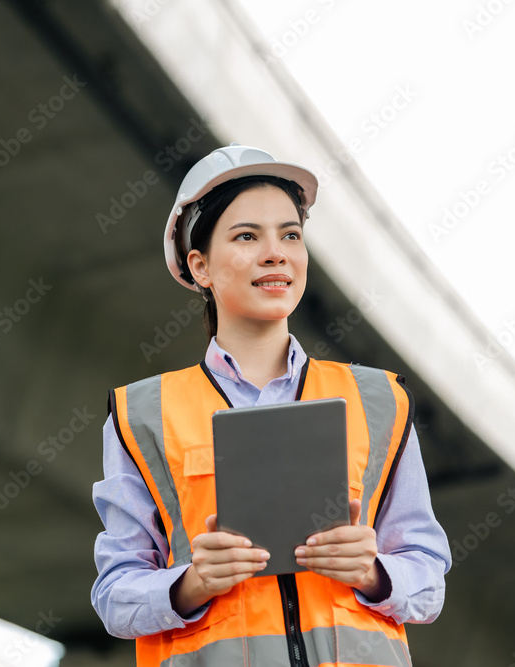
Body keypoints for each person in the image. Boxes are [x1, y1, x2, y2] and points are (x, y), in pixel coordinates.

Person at [90, 145, 450, 666]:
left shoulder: (378, 400)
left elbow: (428, 575)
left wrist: (372, 571)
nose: (276, 253)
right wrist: (190, 584)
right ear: (201, 266)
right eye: (246, 236)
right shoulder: (143, 413)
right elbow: (114, 596)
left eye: (290, 234)